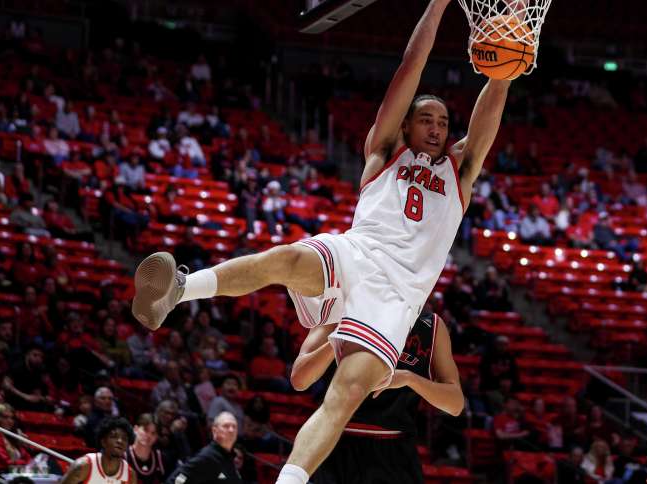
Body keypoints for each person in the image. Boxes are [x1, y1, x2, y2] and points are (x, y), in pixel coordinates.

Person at [132, 1, 509, 483]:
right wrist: (436, 5)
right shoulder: (383, 152)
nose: (436, 127)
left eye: (442, 121)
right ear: (406, 127)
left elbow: (490, 107)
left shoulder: (461, 171)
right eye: (426, 119)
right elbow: (411, 64)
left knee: (344, 396)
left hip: (397, 297)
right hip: (357, 252)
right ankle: (179, 289)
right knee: (286, 258)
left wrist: (505, 74)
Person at [291, 312, 462, 484]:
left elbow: (455, 404)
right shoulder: (338, 309)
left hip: (395, 450)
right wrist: (340, 337)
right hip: (335, 443)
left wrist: (409, 378)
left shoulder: (431, 325)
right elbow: (299, 379)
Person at [166, 411, 241, 484]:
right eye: (226, 426)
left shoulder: (229, 458)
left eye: (234, 427)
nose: (231, 430)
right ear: (214, 431)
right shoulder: (207, 457)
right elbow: (176, 480)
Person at [60, 417, 136, 484]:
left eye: (124, 439)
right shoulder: (84, 466)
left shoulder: (130, 474)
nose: (120, 441)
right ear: (103, 441)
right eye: (114, 436)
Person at [0, 403, 32, 475]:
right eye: (5, 417)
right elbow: (4, 463)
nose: (10, 421)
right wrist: (26, 463)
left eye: (12, 418)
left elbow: (27, 457)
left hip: (14, 474)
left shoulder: (11, 436)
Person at [126, 413, 171, 484]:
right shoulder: (122, 456)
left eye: (153, 433)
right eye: (145, 430)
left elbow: (174, 479)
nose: (148, 435)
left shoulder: (161, 459)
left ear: (157, 437)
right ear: (135, 429)